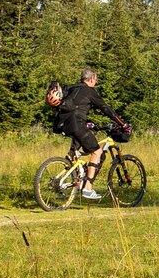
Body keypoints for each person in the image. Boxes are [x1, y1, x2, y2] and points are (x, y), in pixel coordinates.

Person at [52, 68, 130, 199]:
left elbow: (75, 107)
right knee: (97, 152)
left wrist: (89, 122)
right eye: (96, 80)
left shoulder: (71, 88)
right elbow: (106, 109)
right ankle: (87, 189)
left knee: (79, 147)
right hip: (76, 123)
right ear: (92, 79)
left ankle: (73, 173)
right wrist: (123, 124)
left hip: (62, 124)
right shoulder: (90, 91)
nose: (96, 82)